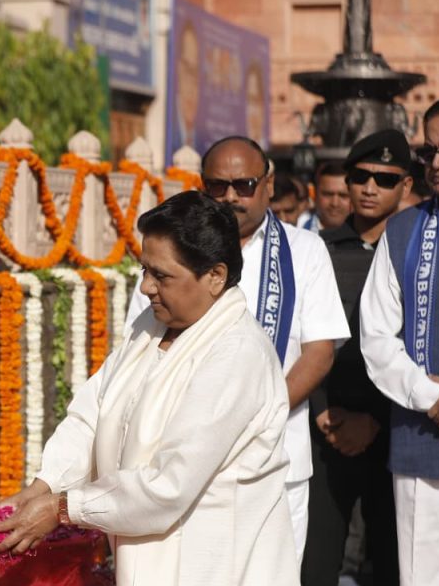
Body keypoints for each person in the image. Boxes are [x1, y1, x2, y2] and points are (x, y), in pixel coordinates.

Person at [0, 191, 314, 586]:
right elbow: (95, 410)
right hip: (151, 560)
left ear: (215, 276)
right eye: (145, 270)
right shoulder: (151, 326)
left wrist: (63, 509)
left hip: (211, 581)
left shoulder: (236, 353)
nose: (145, 288)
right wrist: (47, 483)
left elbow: (169, 485)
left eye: (161, 276)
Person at [124, 136, 350, 562]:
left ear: (268, 184)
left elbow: (319, 353)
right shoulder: (172, 254)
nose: (230, 196)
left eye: (244, 185)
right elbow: (141, 343)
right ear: (201, 185)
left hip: (276, 455)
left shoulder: (305, 250)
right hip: (182, 459)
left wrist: (251, 417)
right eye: (217, 185)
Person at [361, 96, 439, 586]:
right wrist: (436, 398)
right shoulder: (403, 230)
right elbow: (377, 339)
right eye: (428, 152)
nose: (436, 163)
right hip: (425, 440)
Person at [300, 129, 408, 586]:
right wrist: (321, 408)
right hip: (327, 428)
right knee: (315, 574)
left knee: (397, 576)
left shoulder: (417, 253)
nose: (369, 188)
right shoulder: (317, 250)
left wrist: (378, 423)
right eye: (360, 176)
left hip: (399, 432)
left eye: (384, 179)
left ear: (405, 185)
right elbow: (300, 337)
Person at [173, 20, 200, 150]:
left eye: (195, 73)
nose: (192, 87)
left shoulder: (197, 139)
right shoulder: (172, 127)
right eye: (187, 70)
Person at [304, 162, 351, 232]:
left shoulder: (365, 236)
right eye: (328, 194)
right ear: (315, 195)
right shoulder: (294, 235)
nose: (335, 203)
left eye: (343, 195)